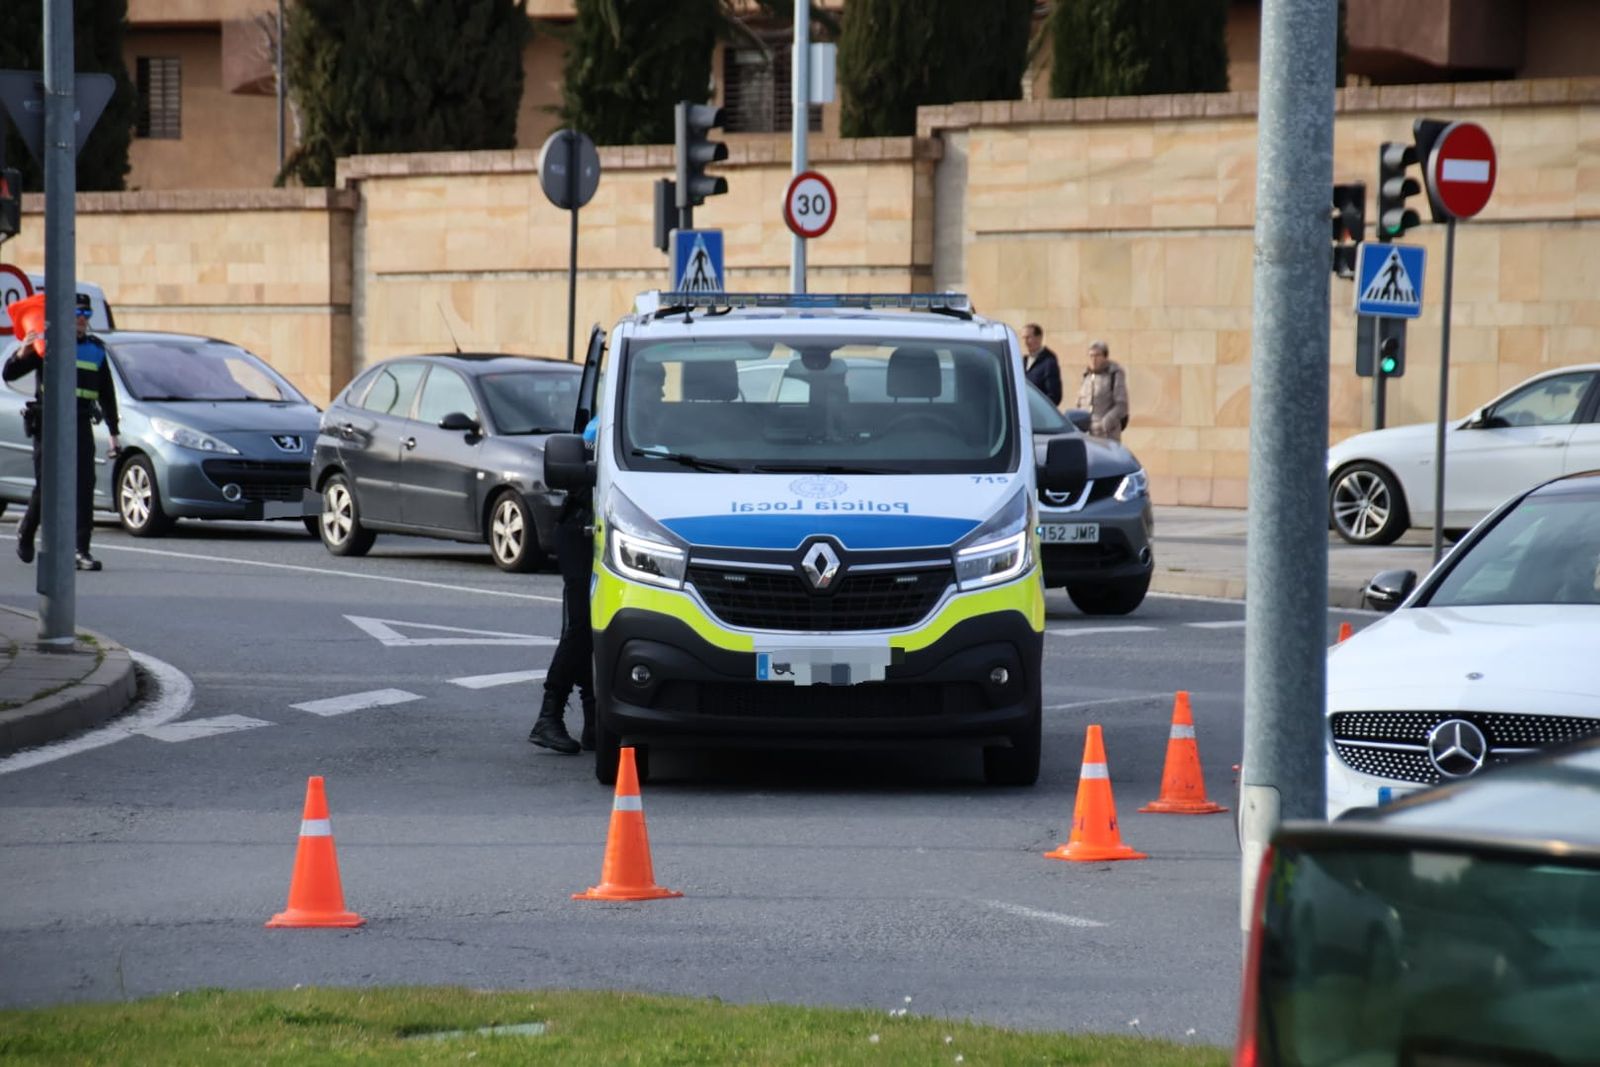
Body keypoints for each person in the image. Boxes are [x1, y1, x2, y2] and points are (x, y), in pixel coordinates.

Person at [3, 293, 120, 570]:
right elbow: (9, 374)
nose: (82, 320)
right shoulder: (47, 346)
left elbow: (107, 393)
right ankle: (27, 530)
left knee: (84, 485)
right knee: (48, 485)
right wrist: (22, 353)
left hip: (80, 423)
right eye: (77, 314)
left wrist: (113, 432)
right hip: (49, 423)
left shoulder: (96, 350)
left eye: (87, 315)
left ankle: (80, 550)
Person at [528, 417, 598, 754]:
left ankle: (594, 720)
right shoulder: (608, 420)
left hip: (602, 530)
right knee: (582, 625)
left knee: (597, 627)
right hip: (580, 529)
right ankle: (548, 716)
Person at [1075, 340, 1130, 443]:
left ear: (1105, 357)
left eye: (1097, 355)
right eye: (1091, 356)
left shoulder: (1114, 374)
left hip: (1107, 435)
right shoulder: (1086, 375)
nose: (1093, 359)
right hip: (1086, 435)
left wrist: (1105, 423)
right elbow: (1079, 404)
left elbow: (1122, 406)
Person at [1021, 323, 1062, 406]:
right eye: (1023, 338)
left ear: (1039, 338)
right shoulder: (1023, 361)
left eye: (1028, 338)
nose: (1025, 342)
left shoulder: (1049, 362)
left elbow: (1054, 395)